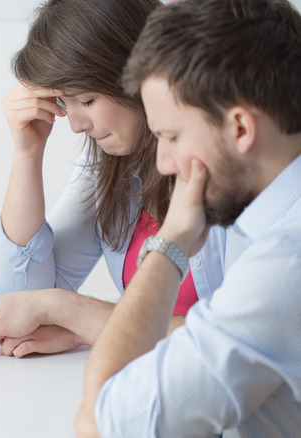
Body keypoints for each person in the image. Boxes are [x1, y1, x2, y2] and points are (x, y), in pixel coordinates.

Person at [74, 0, 301, 436]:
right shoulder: (258, 220)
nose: (162, 163)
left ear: (239, 129)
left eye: (170, 136)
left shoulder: (285, 263)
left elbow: (103, 423)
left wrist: (169, 244)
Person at [0, 0, 235, 358]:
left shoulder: (232, 167)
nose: (76, 125)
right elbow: (19, 300)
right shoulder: (109, 165)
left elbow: (236, 341)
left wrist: (77, 317)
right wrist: (27, 155)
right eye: (66, 104)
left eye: (88, 100)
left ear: (139, 74)